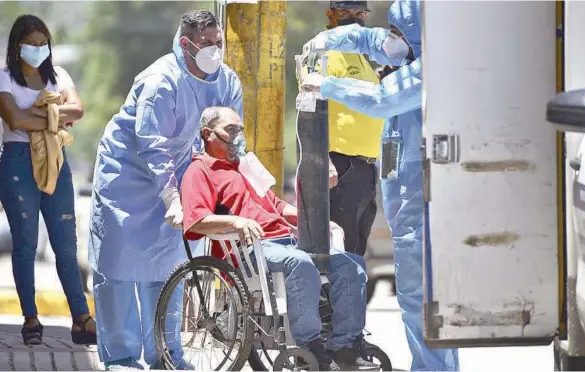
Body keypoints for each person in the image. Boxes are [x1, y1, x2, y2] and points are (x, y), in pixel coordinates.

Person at [301, 1, 460, 370]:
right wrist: (329, 40)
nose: (393, 38)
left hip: (422, 205)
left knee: (422, 301)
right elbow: (371, 39)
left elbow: (380, 100)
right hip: (410, 202)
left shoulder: (426, 70)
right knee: (423, 302)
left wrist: (328, 85)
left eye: (401, 32)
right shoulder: (411, 57)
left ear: (420, 33)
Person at [88, 10, 243, 370]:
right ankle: (122, 357)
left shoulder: (227, 82)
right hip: (127, 177)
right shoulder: (161, 80)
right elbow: (152, 146)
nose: (214, 51)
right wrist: (171, 198)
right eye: (205, 44)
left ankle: (166, 355)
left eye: (217, 43)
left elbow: (233, 141)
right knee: (119, 268)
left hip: (181, 173)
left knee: (168, 267)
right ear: (186, 44)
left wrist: (239, 189)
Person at [181, 106, 377, 371]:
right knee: (300, 263)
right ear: (207, 134)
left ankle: (344, 345)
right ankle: (310, 346)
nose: (238, 135)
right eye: (230, 130)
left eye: (239, 129)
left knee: (351, 265)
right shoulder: (200, 171)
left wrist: (315, 221)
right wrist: (237, 221)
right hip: (247, 249)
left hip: (285, 242)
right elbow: (196, 221)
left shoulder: (246, 166)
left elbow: (277, 205)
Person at [0, 14, 96, 346]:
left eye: (42, 43)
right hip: (17, 164)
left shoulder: (58, 75)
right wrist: (53, 116)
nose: (38, 49)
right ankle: (31, 318)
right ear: (17, 45)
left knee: (66, 245)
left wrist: (40, 115)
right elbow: (13, 117)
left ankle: (81, 319)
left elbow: (78, 110)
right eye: (31, 43)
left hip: (56, 162)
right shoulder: (2, 78)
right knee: (25, 244)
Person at [299, 0, 384, 258]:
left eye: (359, 13)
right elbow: (309, 108)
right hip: (340, 167)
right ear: (330, 15)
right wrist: (322, 161)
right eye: (345, 13)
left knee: (356, 256)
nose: (353, 19)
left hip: (365, 168)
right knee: (338, 259)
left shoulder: (361, 55)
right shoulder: (320, 50)